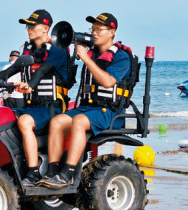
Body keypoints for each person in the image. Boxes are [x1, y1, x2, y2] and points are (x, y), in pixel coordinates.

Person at [43, 12, 132, 189]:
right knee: (56, 121)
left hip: (109, 110)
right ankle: (52, 172)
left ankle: (68, 174)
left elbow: (107, 82)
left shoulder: (121, 57)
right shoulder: (93, 53)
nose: (95, 33)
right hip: (88, 107)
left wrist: (86, 58)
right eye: (93, 29)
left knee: (78, 122)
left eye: (99, 29)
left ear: (112, 32)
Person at [0, 9, 68, 188]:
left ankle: (33, 173)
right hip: (31, 107)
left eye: (32, 25)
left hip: (51, 108)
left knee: (24, 121)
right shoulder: (29, 51)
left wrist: (30, 85)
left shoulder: (58, 50)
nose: (28, 29)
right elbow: (8, 72)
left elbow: (43, 70)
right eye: (27, 25)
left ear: (45, 28)